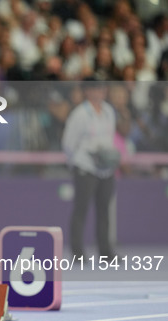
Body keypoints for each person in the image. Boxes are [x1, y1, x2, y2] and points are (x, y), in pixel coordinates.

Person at [62, 77, 119, 260]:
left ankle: (105, 251)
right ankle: (78, 251)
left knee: (104, 210)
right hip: (85, 167)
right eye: (95, 89)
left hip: (106, 168)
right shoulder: (80, 114)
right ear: (87, 91)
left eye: (102, 89)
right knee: (81, 209)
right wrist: (80, 160)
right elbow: (69, 143)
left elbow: (110, 137)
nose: (99, 93)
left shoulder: (109, 111)